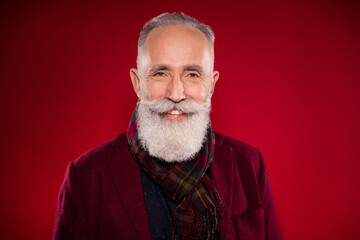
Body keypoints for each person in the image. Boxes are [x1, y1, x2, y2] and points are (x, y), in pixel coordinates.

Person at [52, 12, 282, 240]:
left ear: (211, 85)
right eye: (160, 73)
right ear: (138, 83)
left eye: (192, 74)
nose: (176, 94)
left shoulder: (249, 164)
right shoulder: (85, 177)